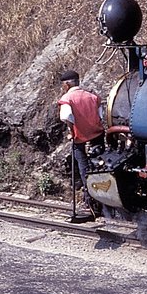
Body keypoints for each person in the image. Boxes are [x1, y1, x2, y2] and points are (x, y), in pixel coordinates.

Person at [56, 69, 105, 220]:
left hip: (80, 139)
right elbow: (101, 115)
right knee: (99, 168)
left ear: (67, 84)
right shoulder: (92, 96)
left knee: (85, 171)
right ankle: (104, 201)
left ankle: (90, 204)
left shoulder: (67, 98)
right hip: (97, 136)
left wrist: (71, 131)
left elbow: (67, 116)